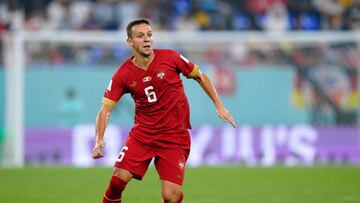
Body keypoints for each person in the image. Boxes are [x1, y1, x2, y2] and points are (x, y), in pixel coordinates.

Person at [91, 19, 236, 203]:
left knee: (170, 197)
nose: (147, 40)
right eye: (140, 36)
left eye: (149, 35)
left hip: (174, 137)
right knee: (118, 178)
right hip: (143, 135)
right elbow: (105, 109)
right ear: (130, 42)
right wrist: (99, 139)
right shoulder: (123, 75)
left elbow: (200, 76)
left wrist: (219, 105)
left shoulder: (171, 57)